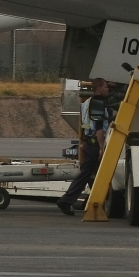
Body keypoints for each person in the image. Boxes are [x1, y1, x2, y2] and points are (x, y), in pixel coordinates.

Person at [57, 78, 110, 215]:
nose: (107, 89)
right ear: (99, 89)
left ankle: (96, 201)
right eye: (105, 87)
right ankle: (67, 200)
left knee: (91, 175)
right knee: (89, 174)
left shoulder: (86, 103)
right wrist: (101, 147)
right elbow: (99, 127)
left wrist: (84, 140)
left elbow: (84, 124)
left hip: (88, 141)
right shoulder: (98, 104)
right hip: (94, 144)